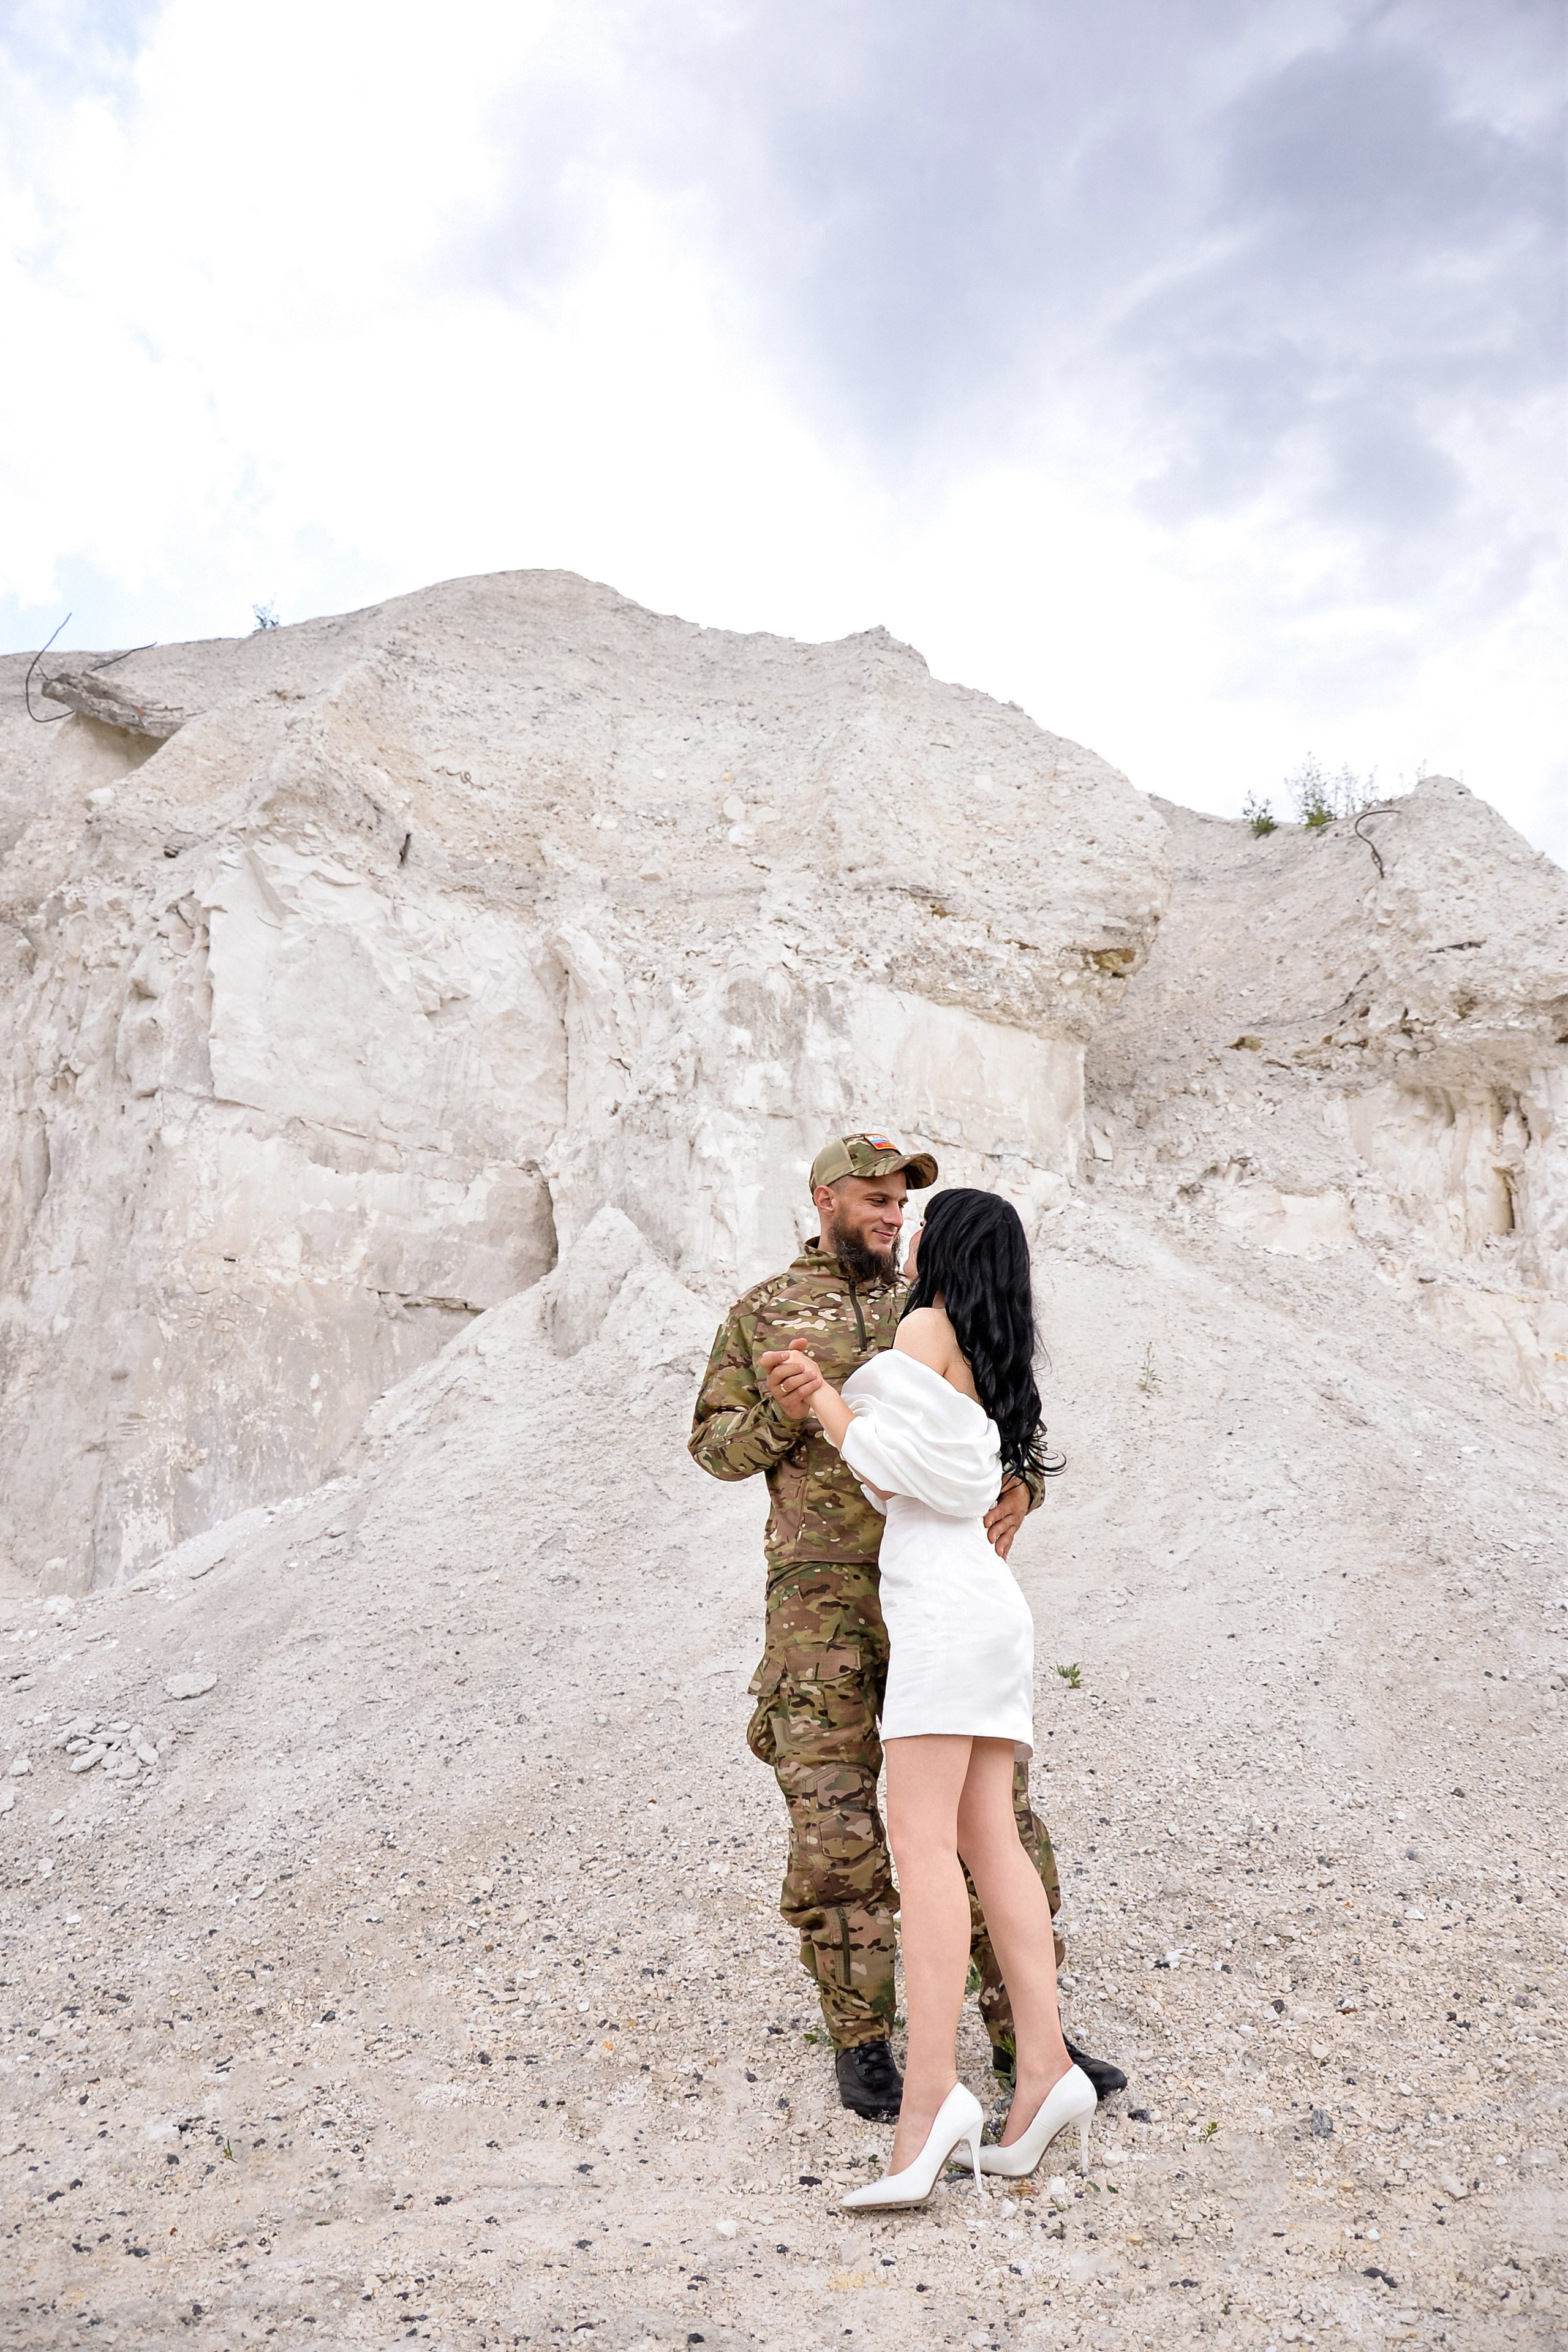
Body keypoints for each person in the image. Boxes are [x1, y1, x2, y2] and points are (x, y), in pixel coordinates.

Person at [688, 1133, 1125, 2127]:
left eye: (902, 1201)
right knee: (836, 1821)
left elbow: (1000, 1414)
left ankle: (1030, 2037)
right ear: (825, 1199)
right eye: (873, 1198)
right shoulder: (762, 1310)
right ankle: (863, 2042)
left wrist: (1024, 1488)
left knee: (995, 1819)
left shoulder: (938, 1293)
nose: (890, 1214)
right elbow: (713, 1446)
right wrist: (792, 1411)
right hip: (824, 1601)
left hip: (936, 1595)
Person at [775, 1185, 1096, 2208]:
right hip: (985, 1609)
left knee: (921, 1851)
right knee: (988, 1840)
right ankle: (1044, 2072)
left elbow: (929, 1480)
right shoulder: (988, 1345)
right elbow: (932, 1476)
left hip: (948, 1614)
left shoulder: (924, 1321)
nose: (904, 1232)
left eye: (922, 1223)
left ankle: (928, 2107)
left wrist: (825, 1403)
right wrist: (851, 1426)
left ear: (942, 1245)